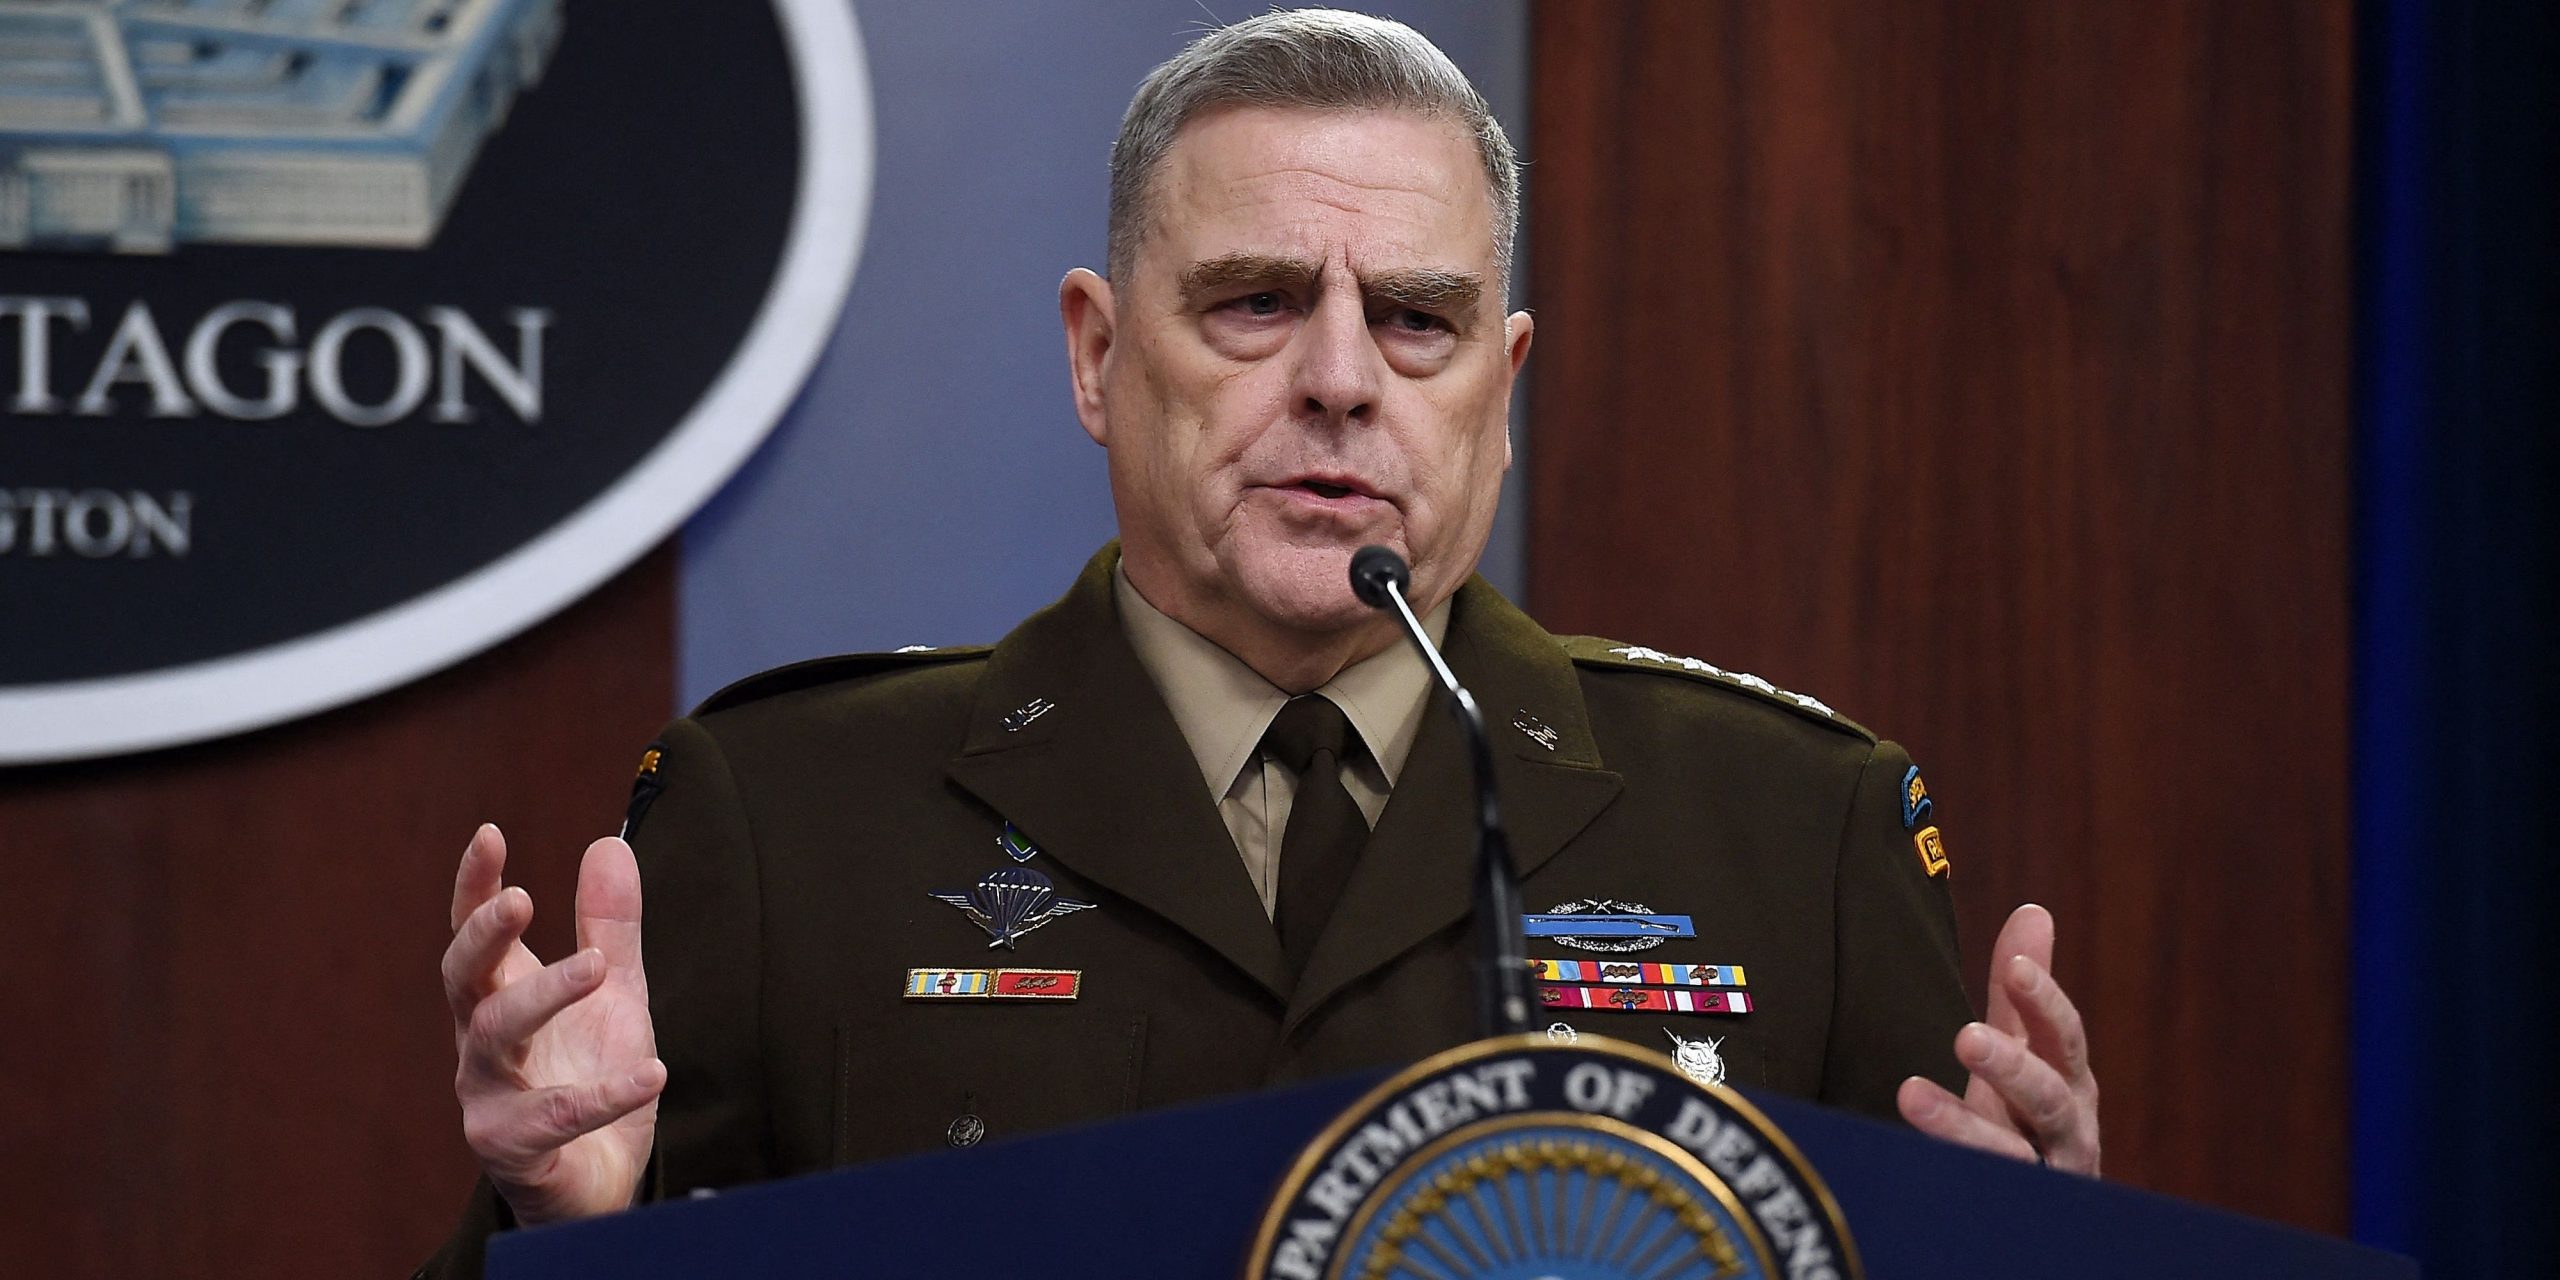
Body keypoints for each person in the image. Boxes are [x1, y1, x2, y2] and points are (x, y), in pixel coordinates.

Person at [422, 10, 2100, 1276]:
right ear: (1096, 355)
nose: (1344, 379)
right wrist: (557, 1226)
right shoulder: (789, 816)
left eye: (1419, 320)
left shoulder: (1794, 830)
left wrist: (2047, 1270)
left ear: (1500, 392)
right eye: (1257, 301)